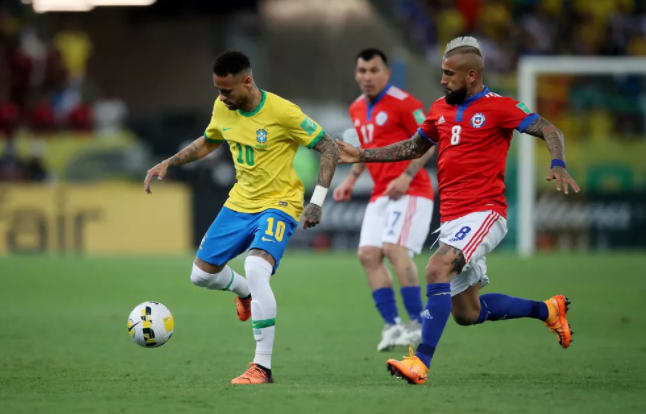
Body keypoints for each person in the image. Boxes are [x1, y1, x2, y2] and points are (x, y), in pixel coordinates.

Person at [337, 36, 580, 385]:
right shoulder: (439, 108)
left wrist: (557, 162)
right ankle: (548, 310)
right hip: (452, 220)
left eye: (449, 74)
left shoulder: (500, 106)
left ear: (472, 76)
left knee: (437, 268)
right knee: (467, 313)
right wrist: (362, 155)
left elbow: (549, 129)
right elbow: (412, 146)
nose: (442, 79)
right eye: (442, 72)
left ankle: (419, 363)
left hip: (485, 213)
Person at [144, 50, 339, 385]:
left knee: (256, 265)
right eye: (218, 90)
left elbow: (330, 148)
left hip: (280, 203)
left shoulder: (283, 112)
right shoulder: (223, 107)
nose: (222, 97)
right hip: (239, 202)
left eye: (227, 90)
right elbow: (209, 141)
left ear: (247, 81)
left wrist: (317, 202)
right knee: (200, 275)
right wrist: (170, 162)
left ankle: (261, 366)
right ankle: (246, 293)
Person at [333, 48, 436, 351]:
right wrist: (351, 179)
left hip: (412, 189)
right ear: (356, 74)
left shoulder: (405, 103)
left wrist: (406, 175)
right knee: (367, 255)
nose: (367, 76)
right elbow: (361, 150)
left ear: (386, 73)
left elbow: (429, 142)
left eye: (373, 70)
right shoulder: (355, 108)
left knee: (393, 248)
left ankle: (417, 321)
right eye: (362, 71)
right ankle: (392, 325)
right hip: (380, 193)